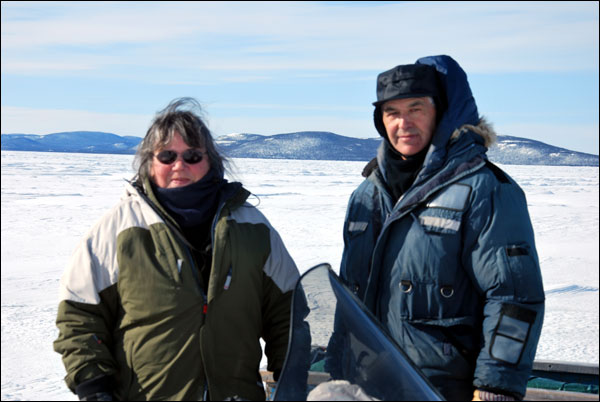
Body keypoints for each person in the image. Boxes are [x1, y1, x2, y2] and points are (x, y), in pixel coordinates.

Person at [54, 98, 300, 401]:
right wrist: (94, 388)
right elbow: (79, 317)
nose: (179, 165)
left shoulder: (252, 228)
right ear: (149, 161)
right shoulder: (119, 229)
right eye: (167, 155)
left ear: (210, 161)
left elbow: (288, 317)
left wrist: (292, 381)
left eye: (193, 156)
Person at [339, 55, 545, 401]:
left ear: (441, 113)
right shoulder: (368, 193)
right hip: (370, 384)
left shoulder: (485, 189)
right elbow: (350, 295)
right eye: (392, 112)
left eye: (415, 109)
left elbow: (515, 298)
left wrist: (496, 385)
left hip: (444, 390)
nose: (403, 123)